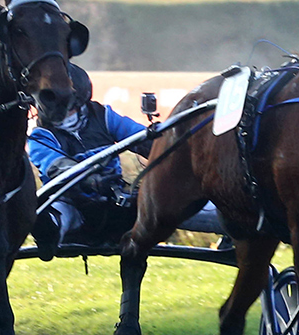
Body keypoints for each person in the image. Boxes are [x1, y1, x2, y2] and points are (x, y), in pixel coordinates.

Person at [28, 64, 224, 248]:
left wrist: (171, 150)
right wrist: (90, 179)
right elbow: (56, 166)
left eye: (66, 105)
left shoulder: (103, 115)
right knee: (58, 213)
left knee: (170, 203)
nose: (61, 112)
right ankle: (49, 232)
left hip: (115, 198)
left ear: (80, 99)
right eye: (52, 104)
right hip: (72, 203)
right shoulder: (39, 137)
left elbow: (142, 139)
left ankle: (230, 225)